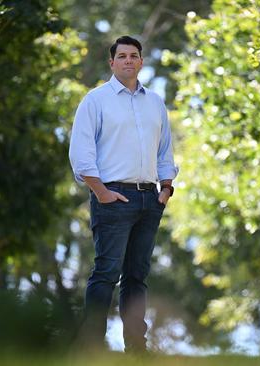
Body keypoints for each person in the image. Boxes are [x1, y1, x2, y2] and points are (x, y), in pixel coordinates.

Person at [68, 35, 178, 353]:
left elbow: (165, 151)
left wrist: (166, 189)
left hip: (150, 199)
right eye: (123, 56)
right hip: (113, 197)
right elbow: (81, 153)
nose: (129, 60)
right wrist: (101, 192)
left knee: (136, 277)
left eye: (134, 55)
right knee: (105, 273)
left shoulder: (155, 102)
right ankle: (91, 346)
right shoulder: (96, 100)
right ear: (112, 63)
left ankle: (136, 349)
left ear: (141, 62)